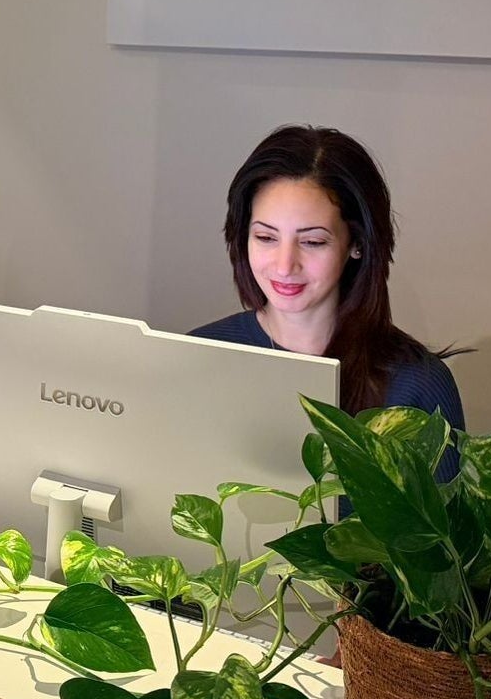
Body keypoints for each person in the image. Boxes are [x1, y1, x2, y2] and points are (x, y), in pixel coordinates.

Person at [193, 125, 465, 482]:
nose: (284, 265)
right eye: (265, 237)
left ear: (357, 244)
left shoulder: (417, 385)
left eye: (313, 242)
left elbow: (441, 536)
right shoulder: (197, 359)